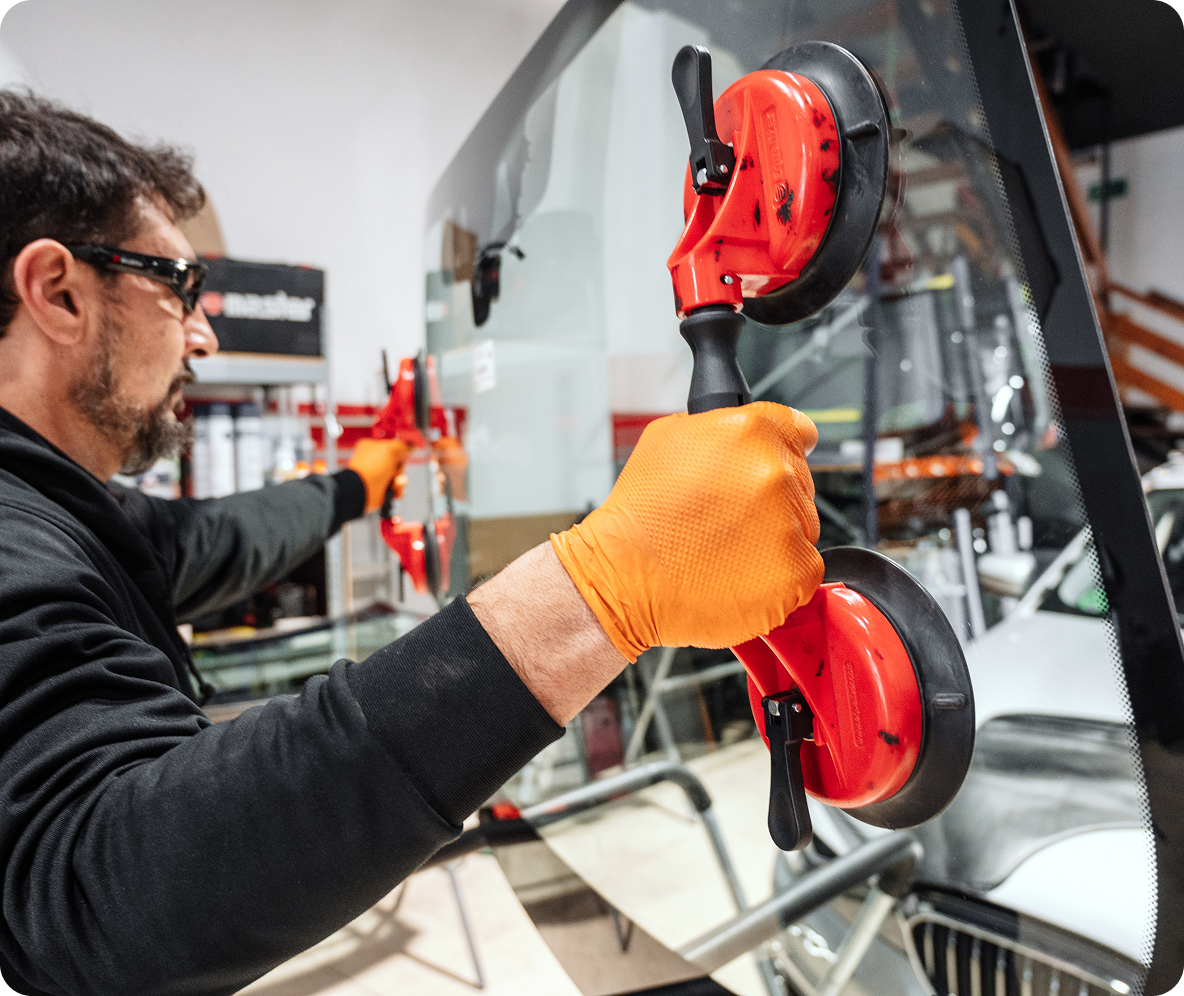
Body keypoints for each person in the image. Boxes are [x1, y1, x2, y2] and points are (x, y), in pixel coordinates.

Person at [0, 90, 824, 996]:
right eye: (179, 287)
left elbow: (205, 543)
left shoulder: (60, 508)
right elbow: (94, 886)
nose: (202, 331)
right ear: (58, 292)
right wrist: (604, 586)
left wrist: (362, 481)